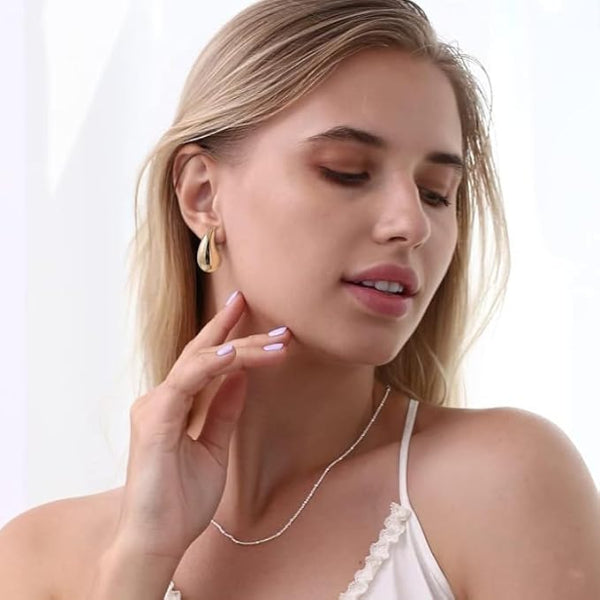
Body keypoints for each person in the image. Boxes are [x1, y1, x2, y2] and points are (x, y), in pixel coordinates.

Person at [2, 0, 600, 598]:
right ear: (203, 195)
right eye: (346, 171)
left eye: (436, 192)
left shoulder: (503, 485)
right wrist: (138, 562)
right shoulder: (36, 558)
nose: (411, 224)